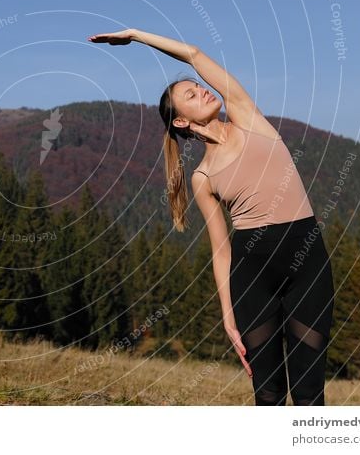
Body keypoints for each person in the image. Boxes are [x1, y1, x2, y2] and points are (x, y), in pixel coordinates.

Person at [88, 28, 335, 406]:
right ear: (182, 122)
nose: (202, 90)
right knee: (268, 394)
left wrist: (137, 35)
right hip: (252, 277)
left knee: (308, 391)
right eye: (191, 94)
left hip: (308, 261)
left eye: (199, 87)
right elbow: (221, 251)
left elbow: (194, 54)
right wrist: (228, 315)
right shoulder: (202, 177)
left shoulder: (248, 117)